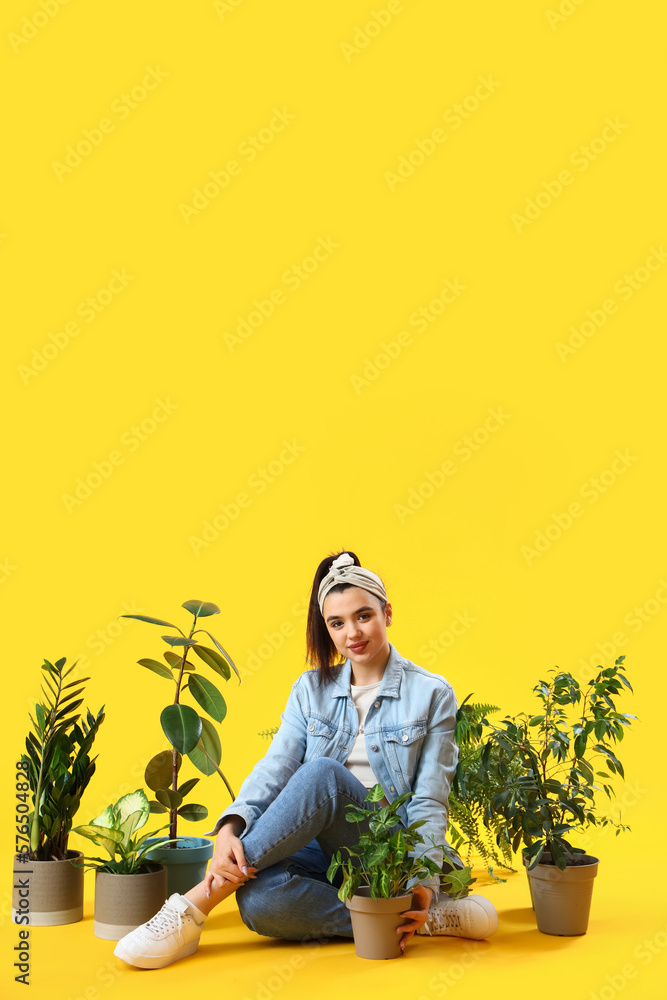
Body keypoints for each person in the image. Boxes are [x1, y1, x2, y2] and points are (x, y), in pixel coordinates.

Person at [114, 551, 498, 969]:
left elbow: (429, 800)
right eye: (337, 623)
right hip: (324, 856)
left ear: (387, 613)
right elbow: (275, 767)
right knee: (259, 902)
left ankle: (191, 908)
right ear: (327, 629)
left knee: (324, 775)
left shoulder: (432, 694)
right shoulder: (310, 690)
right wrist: (230, 826)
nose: (352, 632)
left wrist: (422, 878)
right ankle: (412, 917)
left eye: (364, 615)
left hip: (391, 851)